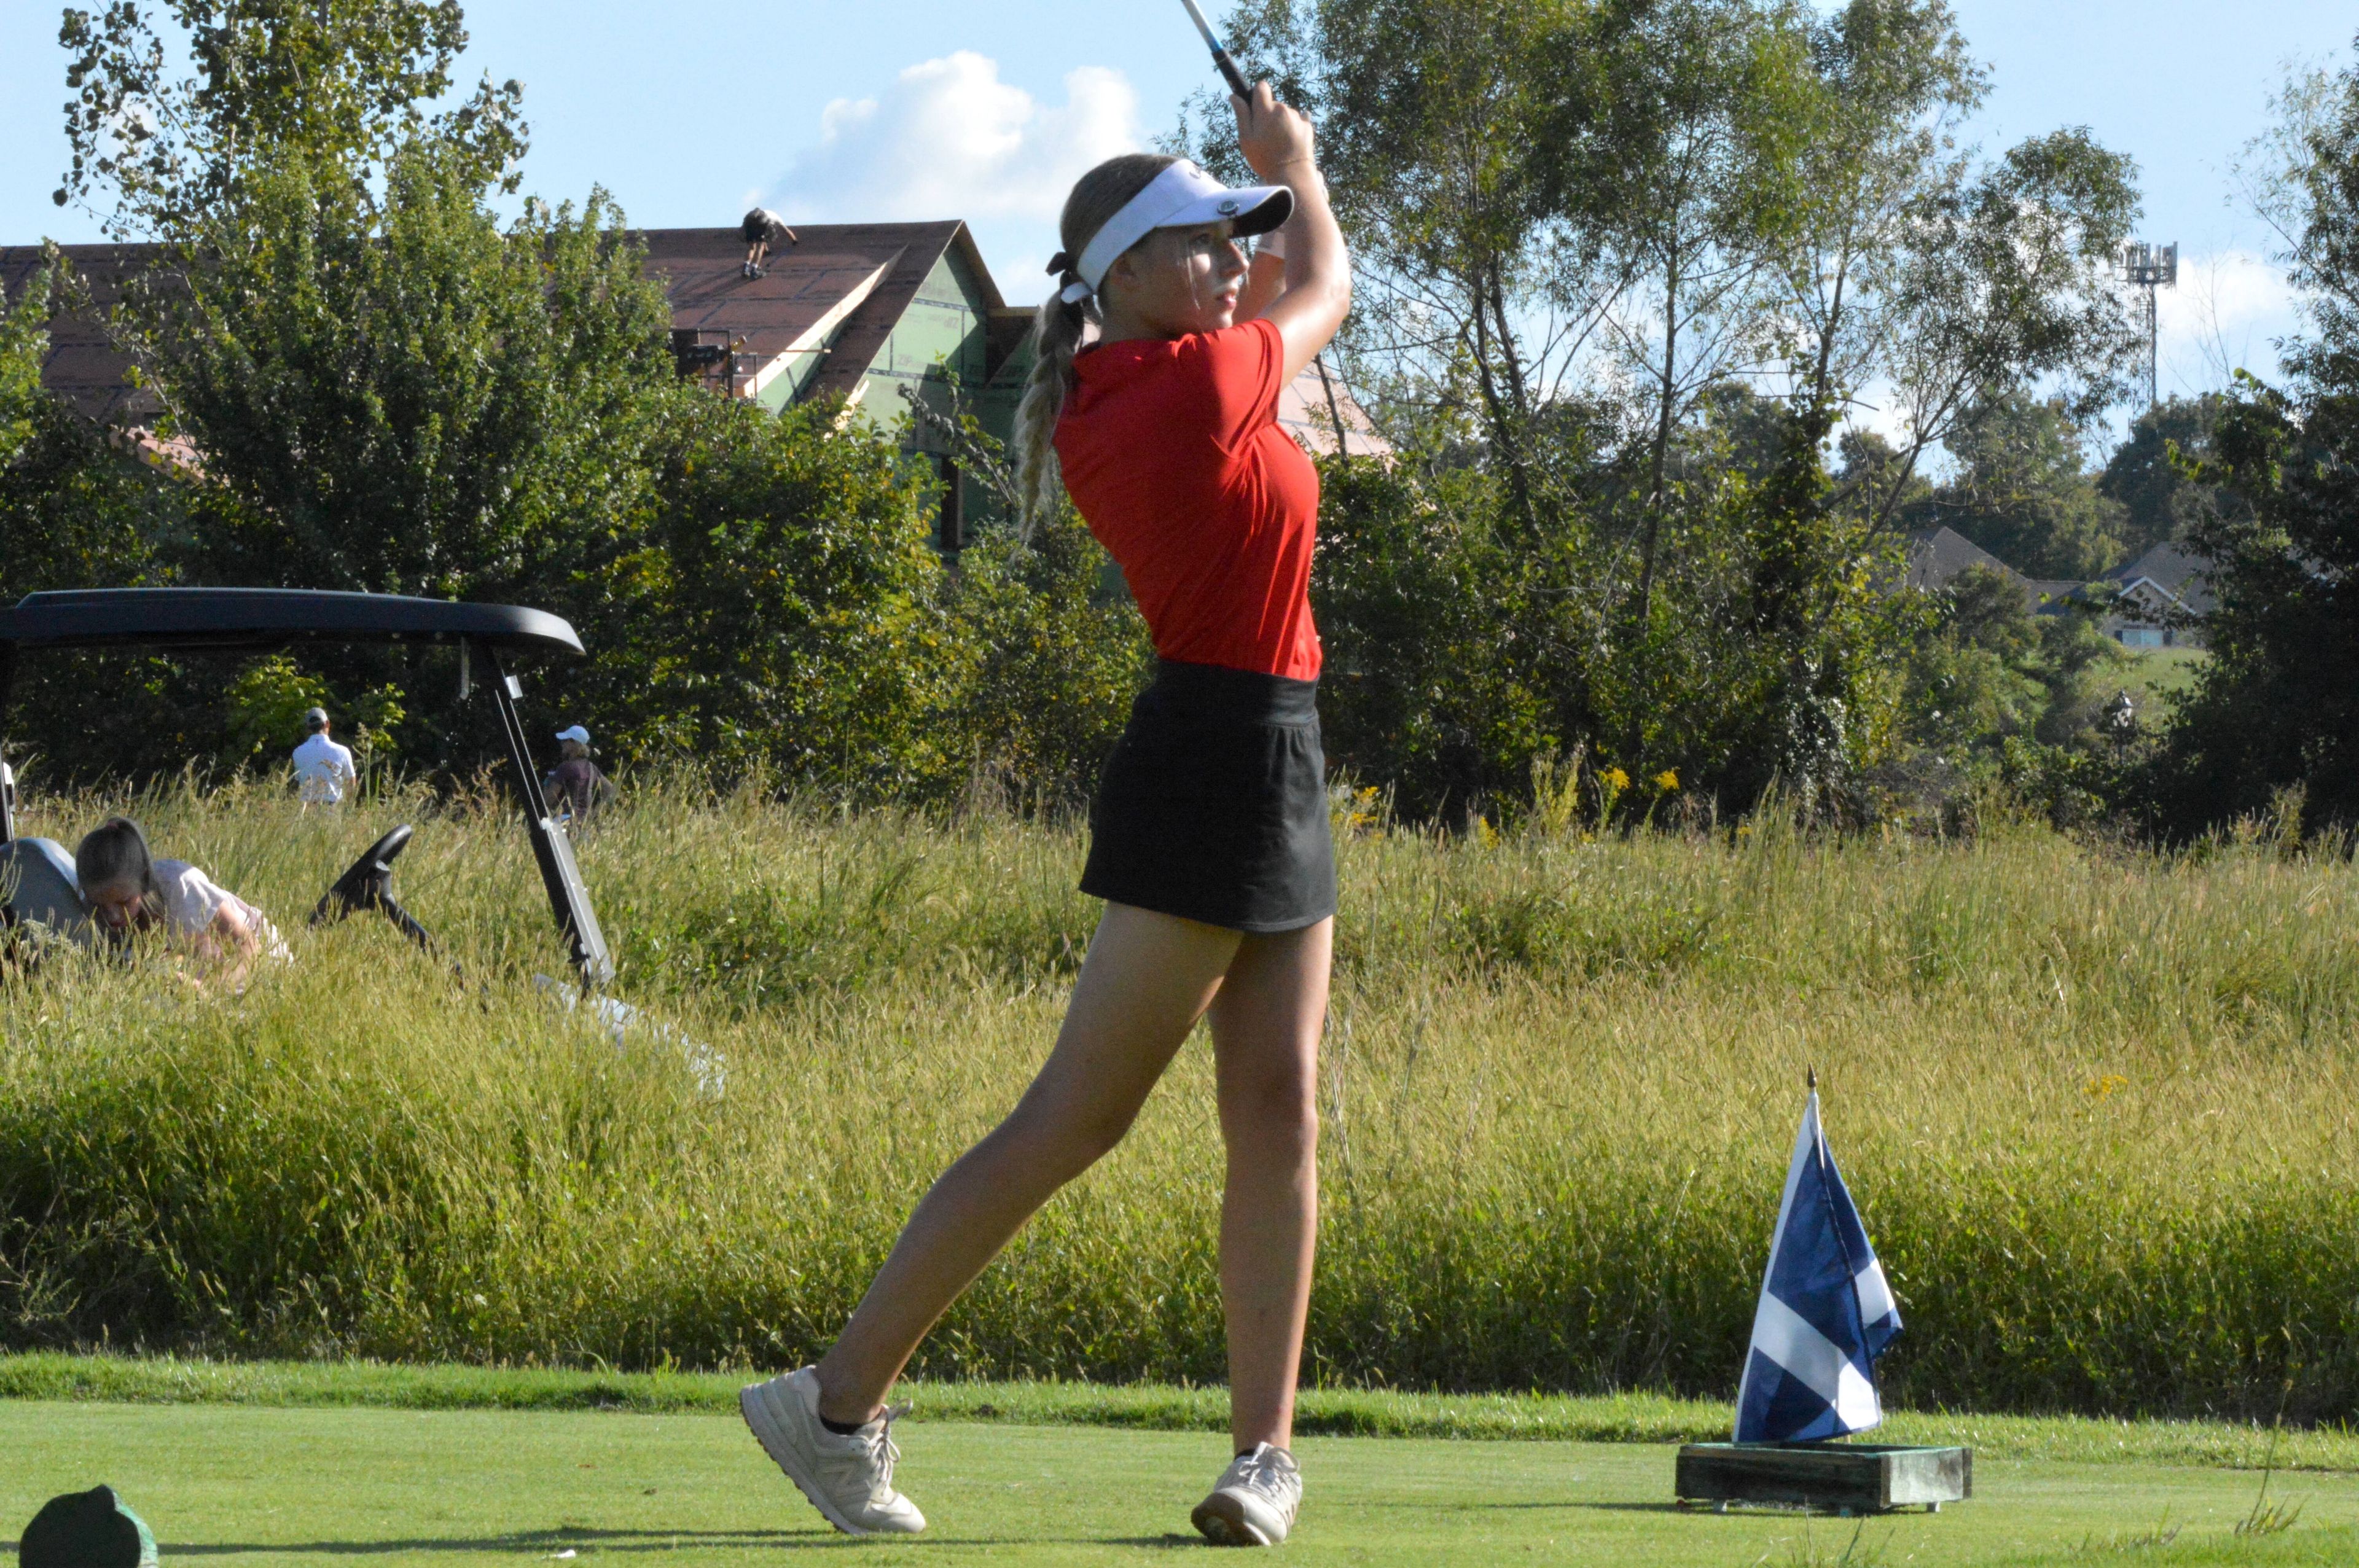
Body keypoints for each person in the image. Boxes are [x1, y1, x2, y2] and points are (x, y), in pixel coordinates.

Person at [734, 80, 1350, 1548]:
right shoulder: (1189, 386)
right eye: (1198, 245)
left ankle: (1261, 1454)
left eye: (1228, 244)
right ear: (1124, 274)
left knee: (1276, 1109)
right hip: (1213, 757)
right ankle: (829, 1402)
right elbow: (1318, 282)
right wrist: (1299, 172)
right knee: (1076, 1114)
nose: (1226, 261)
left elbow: (1260, 278)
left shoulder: (1153, 366)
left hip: (1277, 746)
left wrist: (1246, 195)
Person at [75, 816, 288, 987]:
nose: (112, 916)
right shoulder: (88, 906)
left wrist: (206, 989)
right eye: (100, 905)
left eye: (123, 902)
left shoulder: (180, 885)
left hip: (260, 965)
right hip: (198, 966)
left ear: (145, 878)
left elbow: (250, 946)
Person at [543, 725, 613, 821]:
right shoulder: (592, 768)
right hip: (585, 823)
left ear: (574, 743)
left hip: (564, 820)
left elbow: (549, 799)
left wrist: (548, 784)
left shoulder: (565, 767)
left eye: (565, 740)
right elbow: (610, 790)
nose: (562, 744)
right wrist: (595, 813)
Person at [291, 707, 357, 806]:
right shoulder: (342, 751)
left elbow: (298, 780)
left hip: (306, 810)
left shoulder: (298, 752)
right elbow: (351, 783)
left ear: (308, 728)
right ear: (327, 724)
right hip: (332, 810)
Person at [743, 208, 797, 279]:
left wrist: (767, 250)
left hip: (749, 223)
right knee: (760, 247)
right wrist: (794, 240)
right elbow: (786, 231)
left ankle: (745, 268)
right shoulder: (778, 219)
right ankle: (754, 271)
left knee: (752, 248)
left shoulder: (762, 213)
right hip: (760, 225)